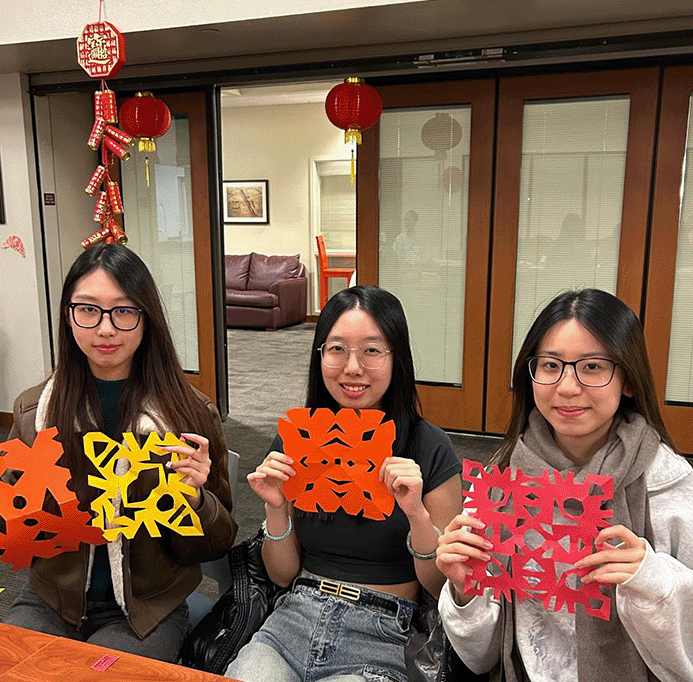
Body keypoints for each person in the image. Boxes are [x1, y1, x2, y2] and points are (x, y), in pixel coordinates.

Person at [436, 288, 693, 682]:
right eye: (551, 365)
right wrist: (463, 590)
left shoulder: (668, 486)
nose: (568, 387)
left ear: (628, 379)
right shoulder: (502, 480)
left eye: (592, 367)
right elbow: (480, 658)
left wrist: (649, 577)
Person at [4, 243, 237, 662]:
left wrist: (195, 500)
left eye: (124, 311)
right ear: (68, 315)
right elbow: (19, 535)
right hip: (50, 600)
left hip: (146, 610)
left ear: (147, 320)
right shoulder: (33, 412)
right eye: (88, 309)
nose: (105, 329)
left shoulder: (189, 415)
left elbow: (214, 546)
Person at [224, 285, 462, 682]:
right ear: (320, 355)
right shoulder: (297, 439)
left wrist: (417, 514)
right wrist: (276, 507)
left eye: (372, 350)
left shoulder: (428, 446)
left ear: (396, 358)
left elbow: (440, 587)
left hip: (382, 631)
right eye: (336, 349)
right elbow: (282, 575)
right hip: (292, 618)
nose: (353, 367)